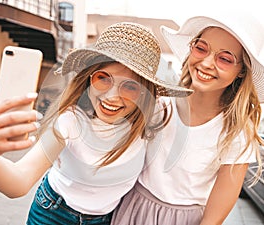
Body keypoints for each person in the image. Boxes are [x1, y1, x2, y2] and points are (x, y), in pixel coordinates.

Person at [0, 22, 191, 225]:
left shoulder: (148, 122)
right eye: (103, 78)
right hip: (53, 213)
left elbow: (199, 104)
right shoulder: (70, 122)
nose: (112, 96)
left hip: (105, 220)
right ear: (88, 79)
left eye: (130, 87)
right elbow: (20, 181)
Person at [111, 14, 264, 225]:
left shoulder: (236, 131)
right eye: (201, 48)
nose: (207, 62)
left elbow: (216, 212)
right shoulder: (160, 102)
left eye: (225, 59)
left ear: (241, 71)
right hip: (132, 208)